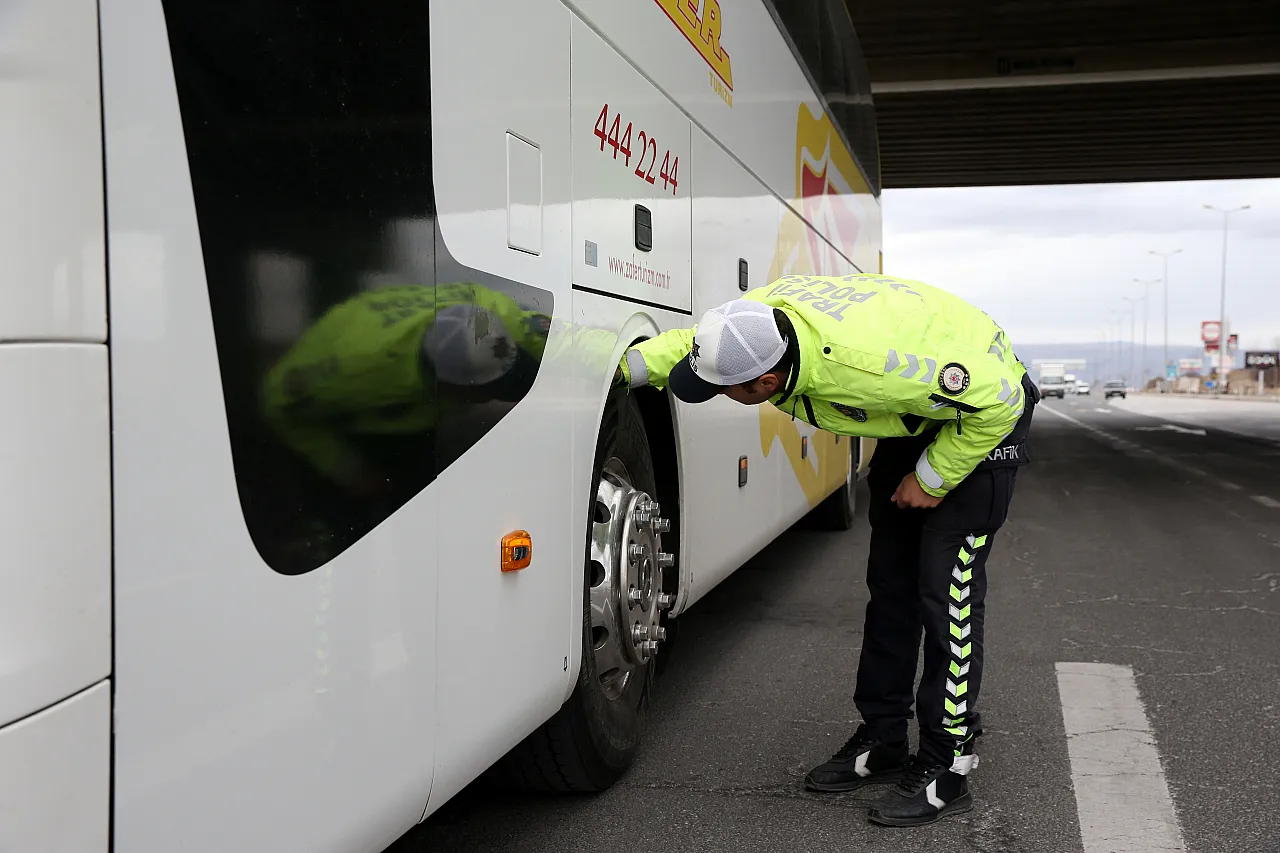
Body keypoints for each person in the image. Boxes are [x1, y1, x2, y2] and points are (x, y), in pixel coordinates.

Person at [615, 273, 1037, 827]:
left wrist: (932, 478)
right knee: (890, 588)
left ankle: (948, 762)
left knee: (946, 597)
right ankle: (885, 739)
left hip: (981, 412)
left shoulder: (870, 367)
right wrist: (610, 373)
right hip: (921, 410)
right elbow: (688, 347)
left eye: (726, 391)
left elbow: (998, 399)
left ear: (764, 382)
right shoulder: (755, 321)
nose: (719, 395)